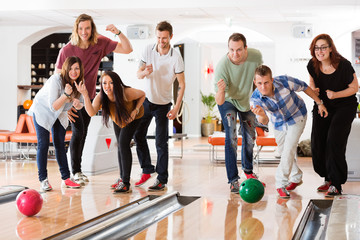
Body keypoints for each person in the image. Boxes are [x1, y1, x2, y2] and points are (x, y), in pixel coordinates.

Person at [55, 13, 133, 185]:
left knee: (83, 133)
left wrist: (118, 32)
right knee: (78, 132)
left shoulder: (100, 43)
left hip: (88, 98)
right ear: (76, 29)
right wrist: (64, 104)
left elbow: (128, 49)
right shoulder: (67, 50)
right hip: (71, 99)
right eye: (81, 28)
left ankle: (77, 170)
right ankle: (74, 171)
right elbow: (56, 78)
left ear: (92, 29)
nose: (84, 32)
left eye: (87, 28)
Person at [251, 65, 328, 198]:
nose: (263, 87)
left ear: (272, 80)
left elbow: (304, 87)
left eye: (266, 82)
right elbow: (263, 121)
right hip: (278, 122)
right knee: (283, 151)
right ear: (255, 82)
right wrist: (263, 115)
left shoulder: (284, 82)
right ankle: (296, 177)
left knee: (289, 149)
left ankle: (281, 184)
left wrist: (319, 103)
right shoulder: (255, 100)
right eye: (259, 83)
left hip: (297, 115)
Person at [133, 21, 185, 191]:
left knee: (161, 143)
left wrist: (176, 108)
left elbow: (182, 84)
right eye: (158, 37)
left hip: (163, 104)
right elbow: (138, 74)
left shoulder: (176, 56)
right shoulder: (148, 49)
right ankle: (147, 168)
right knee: (138, 134)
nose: (161, 41)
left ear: (170, 36)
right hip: (146, 101)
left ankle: (162, 179)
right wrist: (145, 72)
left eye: (164, 38)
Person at [76, 71, 145, 193]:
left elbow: (142, 95)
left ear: (117, 83)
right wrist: (85, 95)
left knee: (123, 144)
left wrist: (135, 110)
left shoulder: (126, 93)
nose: (107, 86)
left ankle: (126, 183)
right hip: (118, 119)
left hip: (134, 117)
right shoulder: (101, 97)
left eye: (111, 83)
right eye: (104, 83)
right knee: (120, 145)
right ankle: (122, 178)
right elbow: (91, 112)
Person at [307, 34, 359, 197]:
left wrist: (335, 95)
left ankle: (336, 184)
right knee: (317, 142)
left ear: (330, 48)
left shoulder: (343, 65)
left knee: (334, 140)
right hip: (323, 105)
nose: (320, 51)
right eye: (317, 47)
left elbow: (354, 88)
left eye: (323, 47)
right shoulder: (312, 64)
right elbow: (311, 82)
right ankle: (328, 178)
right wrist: (316, 97)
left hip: (344, 106)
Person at [214, 33, 263, 194]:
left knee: (250, 137)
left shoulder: (255, 56)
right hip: (228, 100)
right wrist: (221, 90)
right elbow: (219, 101)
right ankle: (233, 180)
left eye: (239, 50)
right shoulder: (222, 66)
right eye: (231, 50)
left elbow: (258, 80)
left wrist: (257, 100)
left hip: (247, 100)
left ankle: (248, 171)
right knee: (232, 137)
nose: (235, 54)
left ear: (245, 48)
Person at [28, 56, 84, 191]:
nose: (74, 72)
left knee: (60, 143)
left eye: (76, 68)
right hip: (43, 110)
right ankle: (43, 180)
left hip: (60, 113)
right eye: (71, 68)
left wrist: (78, 104)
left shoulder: (79, 83)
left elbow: (81, 102)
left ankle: (66, 178)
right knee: (44, 143)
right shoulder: (56, 80)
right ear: (65, 68)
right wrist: (66, 95)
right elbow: (53, 107)